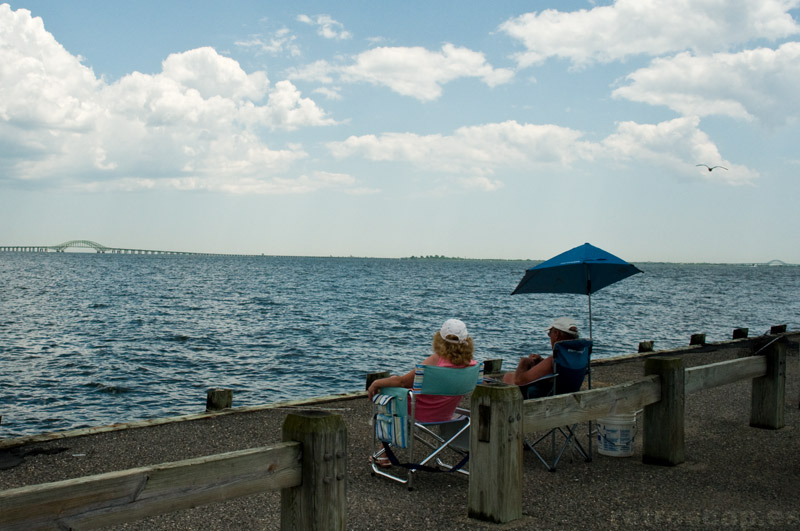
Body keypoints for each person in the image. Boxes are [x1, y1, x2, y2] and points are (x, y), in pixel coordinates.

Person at [368, 318, 476, 468]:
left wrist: (376, 383)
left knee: (389, 391)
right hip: (447, 414)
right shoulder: (471, 364)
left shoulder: (437, 360)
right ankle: (383, 453)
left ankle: (383, 453)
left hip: (419, 412)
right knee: (396, 385)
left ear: (440, 338)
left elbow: (403, 382)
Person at [502, 317, 579, 395]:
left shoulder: (553, 360)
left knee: (508, 376)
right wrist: (542, 362)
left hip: (548, 400)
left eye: (550, 333)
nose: (550, 337)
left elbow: (519, 381)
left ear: (556, 334)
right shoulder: (579, 356)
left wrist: (524, 362)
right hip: (566, 393)